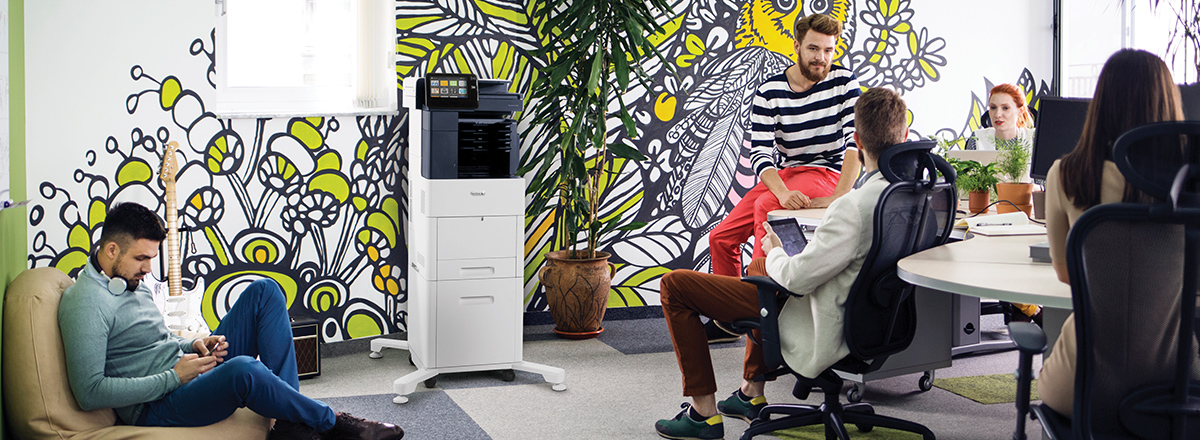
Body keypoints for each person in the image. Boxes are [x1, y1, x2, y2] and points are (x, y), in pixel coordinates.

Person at [654, 87, 909, 440]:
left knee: (675, 285)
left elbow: (798, 279)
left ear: (857, 139)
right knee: (757, 270)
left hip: (823, 322)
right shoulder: (913, 196)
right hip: (878, 323)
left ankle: (702, 415)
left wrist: (774, 248)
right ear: (905, 135)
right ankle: (750, 393)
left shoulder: (851, 207)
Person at [58, 202, 405, 440]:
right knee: (244, 369)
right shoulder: (86, 303)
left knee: (265, 290)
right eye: (141, 258)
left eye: (151, 258)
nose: (149, 268)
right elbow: (90, 392)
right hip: (158, 404)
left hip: (185, 369)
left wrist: (192, 344)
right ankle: (334, 424)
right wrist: (173, 377)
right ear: (112, 250)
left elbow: (157, 340)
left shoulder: (128, 280)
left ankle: (289, 426)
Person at [1037, 49, 1185, 418]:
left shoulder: (1066, 174)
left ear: (1099, 104)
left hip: (1082, 385)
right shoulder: (1190, 184)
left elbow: (1066, 273)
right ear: (1168, 102)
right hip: (1175, 384)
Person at [707, 13, 862, 279]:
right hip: (787, 174)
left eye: (828, 50)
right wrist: (781, 191)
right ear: (797, 46)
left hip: (826, 174)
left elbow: (855, 144)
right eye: (813, 48)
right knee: (720, 238)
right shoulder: (770, 91)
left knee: (766, 205)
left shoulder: (845, 83)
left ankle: (760, 303)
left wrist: (839, 195)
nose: (821, 58)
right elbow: (760, 153)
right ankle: (731, 311)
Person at [968, 83, 1036, 151]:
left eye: (1005, 108)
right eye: (993, 107)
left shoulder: (1034, 138)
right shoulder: (977, 138)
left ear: (1020, 111)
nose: (997, 114)